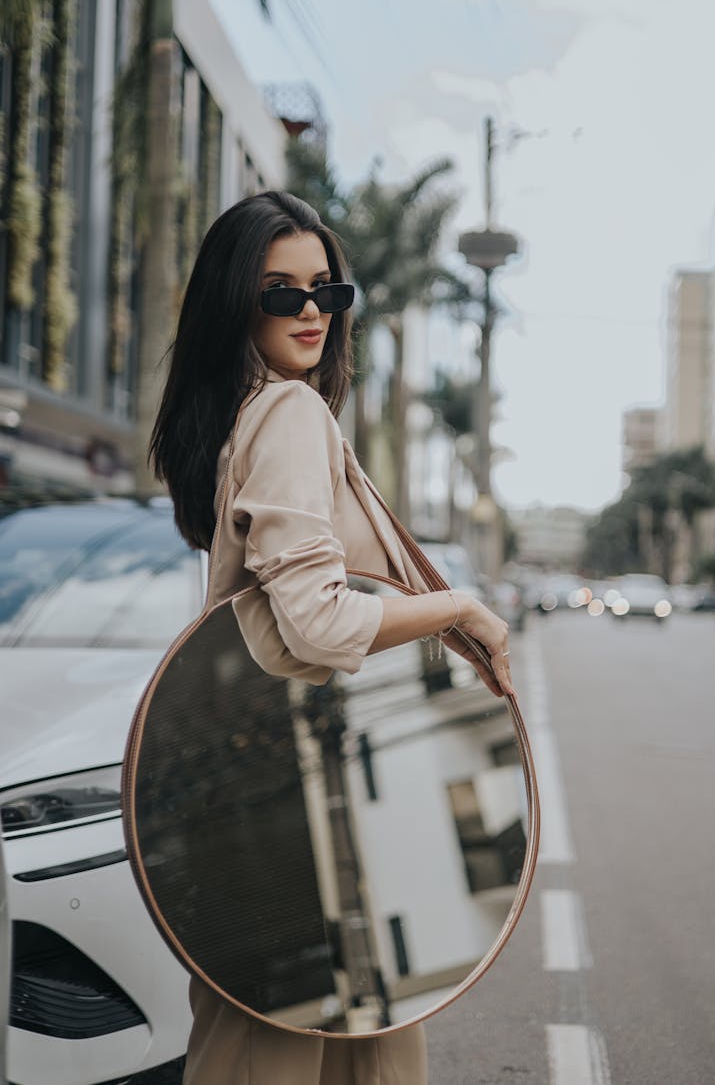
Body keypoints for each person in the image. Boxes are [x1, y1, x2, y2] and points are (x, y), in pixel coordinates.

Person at [149, 190, 514, 1085]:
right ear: (235, 302)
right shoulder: (289, 415)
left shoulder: (253, 415)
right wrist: (457, 607)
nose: (310, 311)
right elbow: (310, 625)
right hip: (296, 815)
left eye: (327, 291)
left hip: (290, 802)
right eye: (280, 292)